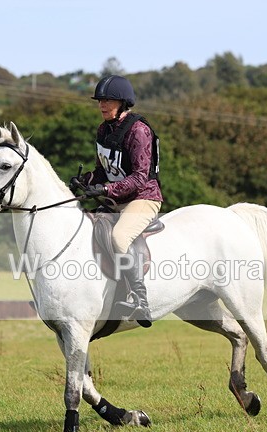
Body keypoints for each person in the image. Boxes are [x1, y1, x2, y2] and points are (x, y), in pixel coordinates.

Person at [70, 75, 163, 327]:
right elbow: (102, 171)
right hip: (118, 198)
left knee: (119, 237)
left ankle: (140, 300)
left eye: (108, 100)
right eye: (100, 100)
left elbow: (140, 178)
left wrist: (106, 189)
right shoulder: (104, 130)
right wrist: (87, 181)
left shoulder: (138, 130)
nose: (102, 105)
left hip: (143, 197)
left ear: (122, 103)